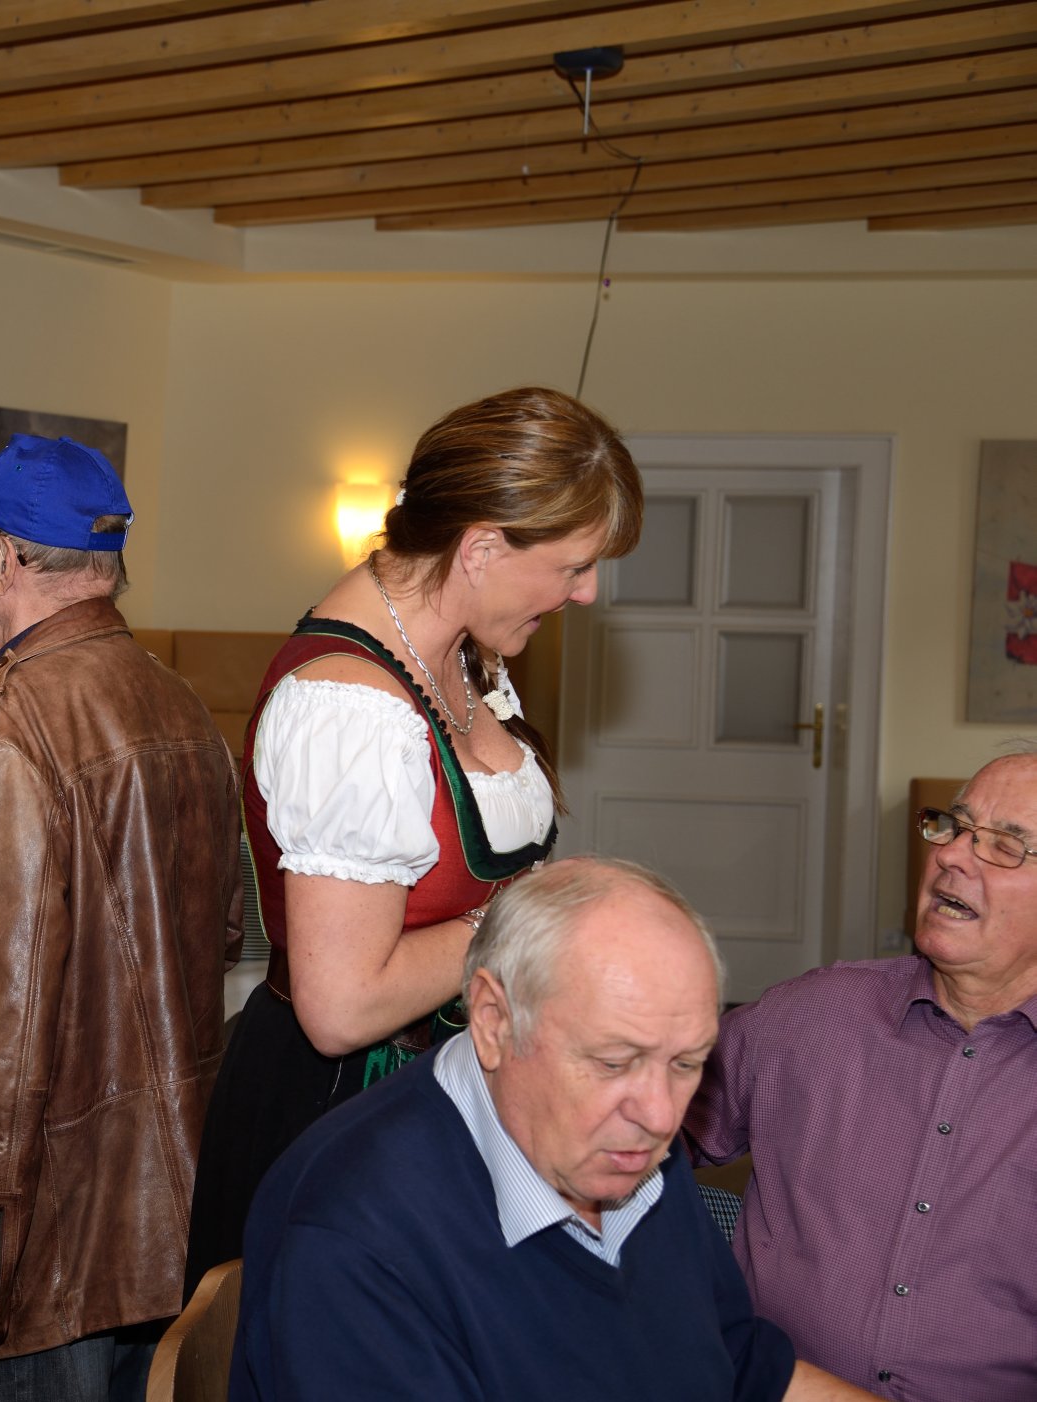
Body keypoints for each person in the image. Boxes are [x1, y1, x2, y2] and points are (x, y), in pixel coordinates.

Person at [183, 385, 643, 1286]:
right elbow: (342, 1008)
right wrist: (529, 915)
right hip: (349, 1120)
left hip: (451, 1096)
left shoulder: (464, 649)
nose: (587, 592)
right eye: (573, 566)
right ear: (480, 548)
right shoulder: (346, 704)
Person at [0, 436, 241, 1400]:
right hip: (155, 1208)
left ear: (6, 558)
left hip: (35, 1238)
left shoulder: (6, 721)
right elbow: (222, 940)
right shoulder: (180, 704)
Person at [232, 857, 875, 1401]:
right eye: (613, 1062)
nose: (660, 1117)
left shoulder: (625, 1143)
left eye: (686, 1064)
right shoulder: (352, 1238)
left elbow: (740, 1365)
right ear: (494, 1022)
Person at [684, 752, 1037, 1401]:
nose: (951, 856)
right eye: (955, 827)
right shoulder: (811, 1016)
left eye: (1005, 846)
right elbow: (629, 1131)